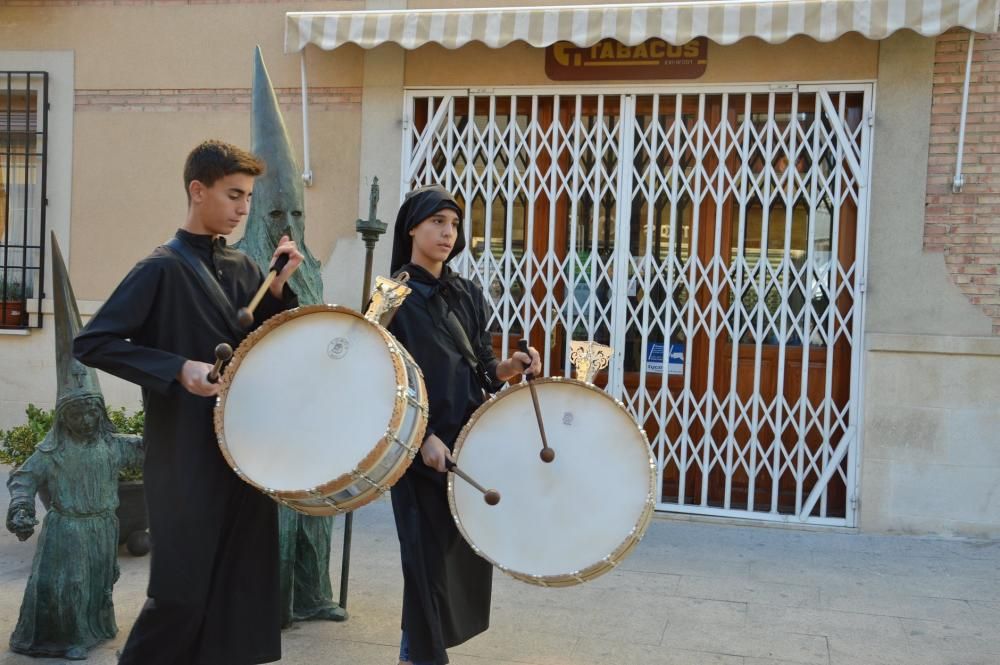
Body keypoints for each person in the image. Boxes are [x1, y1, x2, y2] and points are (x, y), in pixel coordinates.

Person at [74, 139, 303, 665]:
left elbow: (265, 342)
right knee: (181, 592)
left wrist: (279, 288)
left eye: (248, 195)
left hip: (246, 452)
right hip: (183, 456)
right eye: (233, 194)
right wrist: (177, 369)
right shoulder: (159, 268)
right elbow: (92, 343)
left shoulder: (247, 267)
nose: (244, 207)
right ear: (197, 191)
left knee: (242, 589)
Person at [386, 184, 541, 665]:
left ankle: (418, 652)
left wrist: (512, 367)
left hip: (467, 444)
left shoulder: (467, 291)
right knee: (424, 563)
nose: (447, 233)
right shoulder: (389, 297)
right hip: (418, 450)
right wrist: (421, 436)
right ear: (412, 227)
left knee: (456, 560)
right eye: (437, 222)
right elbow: (378, 379)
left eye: (453, 224)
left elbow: (483, 368)